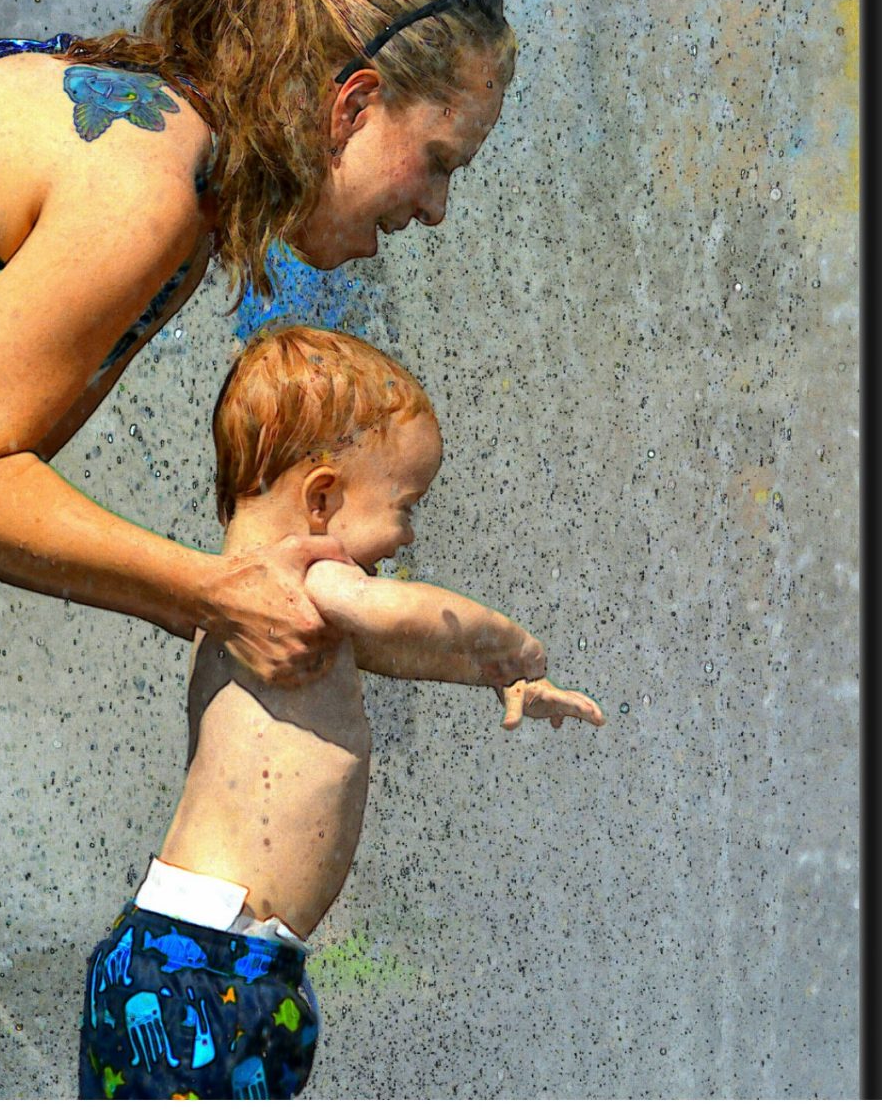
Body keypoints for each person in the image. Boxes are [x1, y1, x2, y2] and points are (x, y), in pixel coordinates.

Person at [0, 0, 516, 1097]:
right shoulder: (153, 175)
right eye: (439, 158)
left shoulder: (170, 158)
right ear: (349, 104)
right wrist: (210, 589)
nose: (438, 207)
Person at [75, 325, 601, 1099]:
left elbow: (404, 650)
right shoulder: (305, 584)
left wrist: (493, 680)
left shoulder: (254, 606)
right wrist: (517, 645)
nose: (409, 534)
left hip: (202, 958)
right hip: (206, 966)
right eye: (405, 506)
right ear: (322, 499)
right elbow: (400, 617)